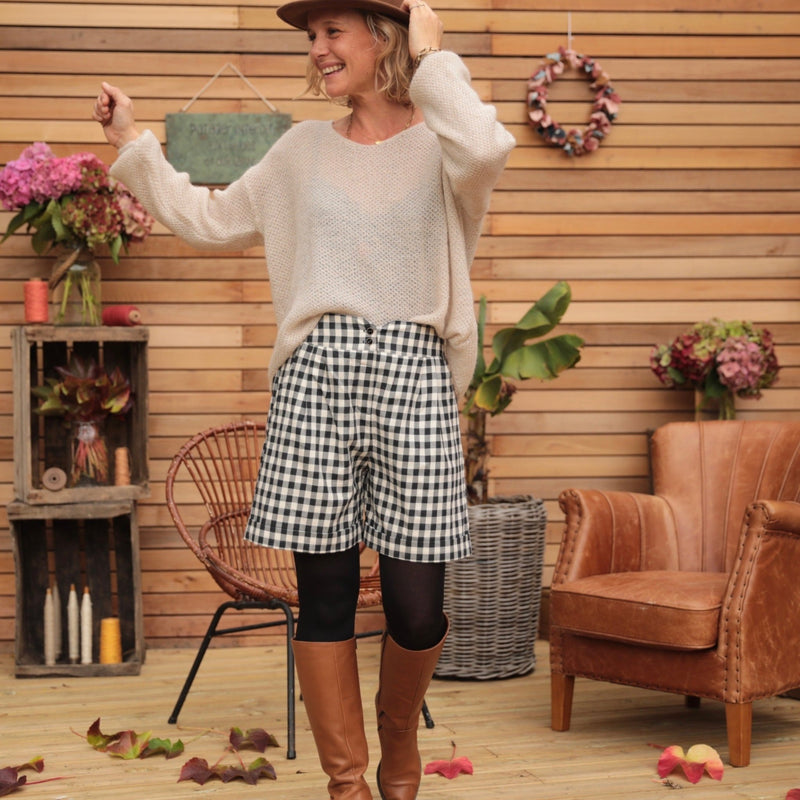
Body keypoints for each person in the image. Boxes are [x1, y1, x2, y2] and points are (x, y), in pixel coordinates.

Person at [93, 0, 514, 796]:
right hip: (317, 378)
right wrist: (131, 142)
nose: (317, 49)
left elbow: (489, 145)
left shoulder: (446, 145)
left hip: (415, 377)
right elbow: (209, 219)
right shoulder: (301, 151)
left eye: (332, 32)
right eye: (311, 37)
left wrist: (433, 57)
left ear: (383, 38)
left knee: (416, 609)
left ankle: (399, 737)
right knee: (324, 597)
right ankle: (347, 782)